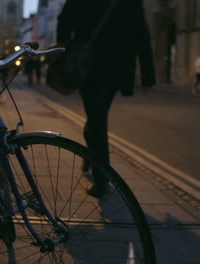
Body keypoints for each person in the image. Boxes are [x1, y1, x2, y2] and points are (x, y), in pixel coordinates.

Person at [57, 0, 156, 197]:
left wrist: (66, 52)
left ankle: (101, 181)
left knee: (97, 120)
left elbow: (64, 23)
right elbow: (141, 33)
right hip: (116, 66)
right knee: (97, 118)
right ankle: (93, 156)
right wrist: (147, 74)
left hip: (89, 66)